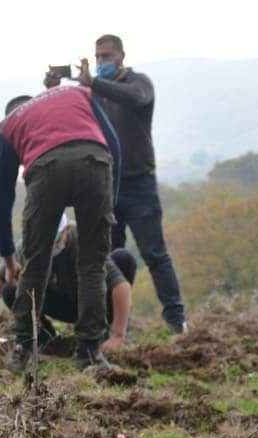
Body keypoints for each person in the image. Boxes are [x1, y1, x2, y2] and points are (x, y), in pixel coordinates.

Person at [47, 34, 187, 333]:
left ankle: (176, 321)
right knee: (109, 257)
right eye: (97, 57)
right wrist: (55, 86)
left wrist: (91, 82)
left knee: (154, 253)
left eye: (107, 56)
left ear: (122, 55)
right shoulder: (93, 92)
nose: (101, 62)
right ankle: (114, 321)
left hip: (139, 184)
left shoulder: (139, 83)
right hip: (107, 184)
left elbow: (135, 97)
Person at [0, 85, 121, 372]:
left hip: (47, 169)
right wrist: (111, 201)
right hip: (95, 162)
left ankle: (24, 347)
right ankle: (89, 352)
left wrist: (9, 257)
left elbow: (1, 197)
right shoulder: (76, 94)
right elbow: (114, 145)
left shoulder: (11, 123)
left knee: (36, 263)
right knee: (93, 265)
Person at [0, 221, 136, 354]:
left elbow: (121, 286)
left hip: (93, 302)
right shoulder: (28, 246)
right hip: (61, 302)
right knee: (10, 290)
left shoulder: (82, 240)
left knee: (123, 259)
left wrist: (118, 335)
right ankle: (44, 337)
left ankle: (108, 330)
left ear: (66, 231)